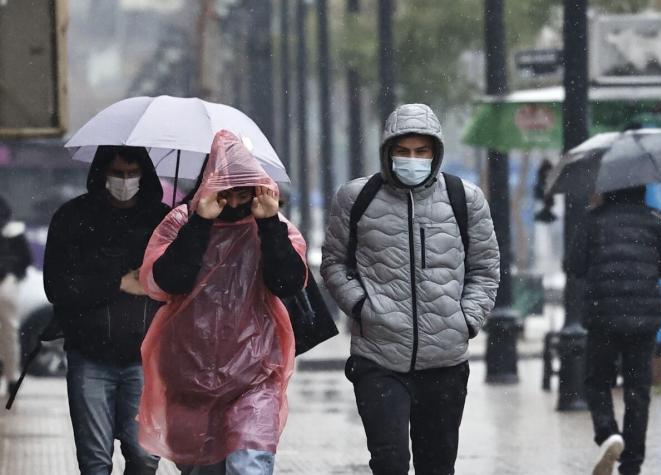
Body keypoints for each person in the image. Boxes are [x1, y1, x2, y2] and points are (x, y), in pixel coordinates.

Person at [320, 103, 500, 475]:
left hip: (446, 362)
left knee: (437, 466)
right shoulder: (356, 198)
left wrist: (465, 320)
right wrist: (361, 307)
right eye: (403, 151)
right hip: (379, 359)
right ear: (388, 152)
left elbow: (485, 269)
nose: (412, 159)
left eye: (422, 151)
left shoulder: (464, 199)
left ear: (436, 153)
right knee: (390, 463)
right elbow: (335, 263)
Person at [137, 130, 307, 474]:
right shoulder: (182, 222)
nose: (233, 199)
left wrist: (269, 224)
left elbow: (288, 282)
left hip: (255, 374)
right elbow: (165, 281)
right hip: (189, 373)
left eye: (243, 188)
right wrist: (200, 222)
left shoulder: (275, 226)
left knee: (250, 464)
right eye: (227, 187)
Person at [43, 145, 169, 474]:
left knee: (144, 457)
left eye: (131, 174)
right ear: (103, 174)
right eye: (117, 174)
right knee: (95, 461)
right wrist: (116, 283)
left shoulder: (161, 221)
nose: (124, 181)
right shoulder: (73, 219)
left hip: (143, 358)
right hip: (89, 356)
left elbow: (179, 276)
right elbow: (58, 287)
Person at [565, 185, 661, 475]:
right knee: (638, 391)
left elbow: (574, 266)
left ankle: (608, 433)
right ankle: (632, 464)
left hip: (603, 317)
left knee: (597, 381)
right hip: (644, 319)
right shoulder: (657, 219)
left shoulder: (593, 220)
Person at [0, 195, 32, 395]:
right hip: (8, 284)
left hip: (7, 284)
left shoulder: (13, 232)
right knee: (10, 332)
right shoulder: (14, 231)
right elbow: (25, 259)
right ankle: (12, 376)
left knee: (9, 332)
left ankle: (11, 373)